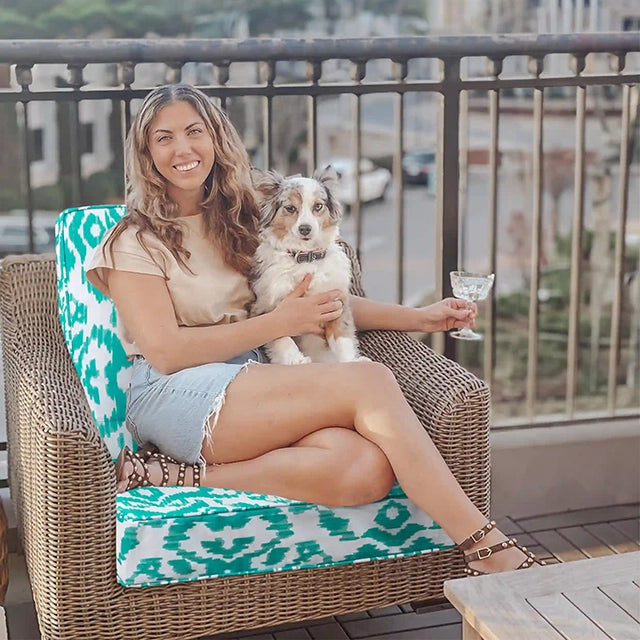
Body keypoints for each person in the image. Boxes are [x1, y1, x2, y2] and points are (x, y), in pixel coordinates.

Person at [86, 83, 543, 577]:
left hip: (257, 380)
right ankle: (484, 546)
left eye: (194, 132)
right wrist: (277, 324)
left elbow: (320, 302)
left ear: (215, 139)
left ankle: (183, 477)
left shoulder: (239, 217)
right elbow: (168, 352)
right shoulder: (134, 240)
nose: (182, 149)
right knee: (369, 380)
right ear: (146, 153)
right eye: (164, 138)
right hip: (175, 393)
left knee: (365, 469)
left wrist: (423, 318)